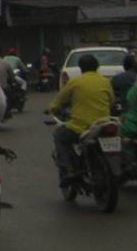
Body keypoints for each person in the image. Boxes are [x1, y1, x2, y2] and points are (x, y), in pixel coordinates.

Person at [47, 53, 116, 186]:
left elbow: (58, 101)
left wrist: (51, 108)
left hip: (82, 127)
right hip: (103, 124)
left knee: (59, 135)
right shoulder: (105, 81)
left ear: (81, 68)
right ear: (97, 67)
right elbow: (112, 102)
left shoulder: (75, 82)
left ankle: (68, 169)